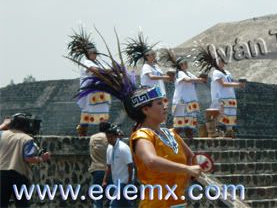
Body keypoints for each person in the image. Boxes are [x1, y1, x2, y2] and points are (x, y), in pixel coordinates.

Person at [74, 33, 202, 208]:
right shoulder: (142, 135)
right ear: (145, 109)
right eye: (159, 103)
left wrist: (190, 174)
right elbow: (151, 161)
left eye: (164, 102)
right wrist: (186, 170)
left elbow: (190, 156)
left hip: (178, 203)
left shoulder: (170, 133)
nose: (165, 106)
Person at [68, 27, 112, 136]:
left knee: (103, 113)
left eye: (96, 52)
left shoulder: (99, 62)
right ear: (87, 54)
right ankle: (82, 134)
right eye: (92, 52)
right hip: (91, 92)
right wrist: (108, 70)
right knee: (87, 114)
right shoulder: (87, 62)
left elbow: (107, 69)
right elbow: (95, 70)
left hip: (101, 91)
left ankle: (104, 134)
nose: (95, 54)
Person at [0, 113, 51, 207]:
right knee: (21, 203)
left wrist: (4, 124)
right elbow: (28, 158)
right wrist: (42, 158)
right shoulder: (27, 139)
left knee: (2, 203)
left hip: (2, 174)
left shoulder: (2, 134)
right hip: (19, 175)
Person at [196, 47, 245, 138]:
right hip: (220, 97)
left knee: (230, 115)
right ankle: (211, 131)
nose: (221, 63)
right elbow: (223, 84)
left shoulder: (227, 72)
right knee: (219, 114)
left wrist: (239, 83)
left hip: (230, 97)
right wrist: (238, 85)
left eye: (222, 61)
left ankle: (229, 131)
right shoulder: (216, 73)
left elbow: (230, 82)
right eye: (219, 61)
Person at [124, 31, 172, 97]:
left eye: (154, 54)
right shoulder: (146, 66)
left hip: (160, 93)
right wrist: (164, 77)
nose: (154, 55)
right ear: (146, 56)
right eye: (152, 54)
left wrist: (169, 78)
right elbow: (151, 77)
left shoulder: (156, 66)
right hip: (151, 94)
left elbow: (162, 76)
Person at [171, 57, 206, 139]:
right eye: (185, 63)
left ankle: (189, 142)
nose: (187, 64)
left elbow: (196, 79)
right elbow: (187, 80)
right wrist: (200, 79)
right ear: (180, 65)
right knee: (178, 125)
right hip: (181, 101)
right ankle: (173, 141)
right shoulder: (180, 73)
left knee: (189, 124)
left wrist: (202, 79)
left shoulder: (188, 73)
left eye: (186, 63)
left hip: (190, 101)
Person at [103, 125, 134, 208]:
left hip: (124, 181)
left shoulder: (123, 148)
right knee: (125, 204)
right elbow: (109, 165)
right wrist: (105, 180)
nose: (109, 139)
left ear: (116, 136)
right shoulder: (109, 148)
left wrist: (129, 181)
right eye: (108, 137)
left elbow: (130, 165)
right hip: (115, 181)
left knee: (113, 204)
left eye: (111, 137)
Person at [89, 121, 111, 208]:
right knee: (112, 196)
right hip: (108, 170)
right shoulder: (109, 138)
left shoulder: (93, 138)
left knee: (97, 197)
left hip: (96, 169)